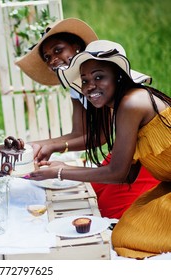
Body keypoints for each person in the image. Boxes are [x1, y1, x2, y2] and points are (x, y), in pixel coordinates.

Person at [25, 39, 171, 259]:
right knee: (124, 233)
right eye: (84, 80)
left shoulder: (131, 103)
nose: (89, 86)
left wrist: (60, 171)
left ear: (119, 76)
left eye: (99, 77)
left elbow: (117, 173)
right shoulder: (124, 103)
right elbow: (127, 174)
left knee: (127, 239)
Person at [15, 18, 159, 219]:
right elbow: (79, 132)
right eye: (47, 57)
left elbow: (101, 137)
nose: (53, 59)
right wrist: (39, 146)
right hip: (136, 153)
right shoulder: (85, 90)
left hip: (154, 159)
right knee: (95, 192)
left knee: (109, 210)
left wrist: (61, 170)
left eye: (58, 50)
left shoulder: (129, 101)